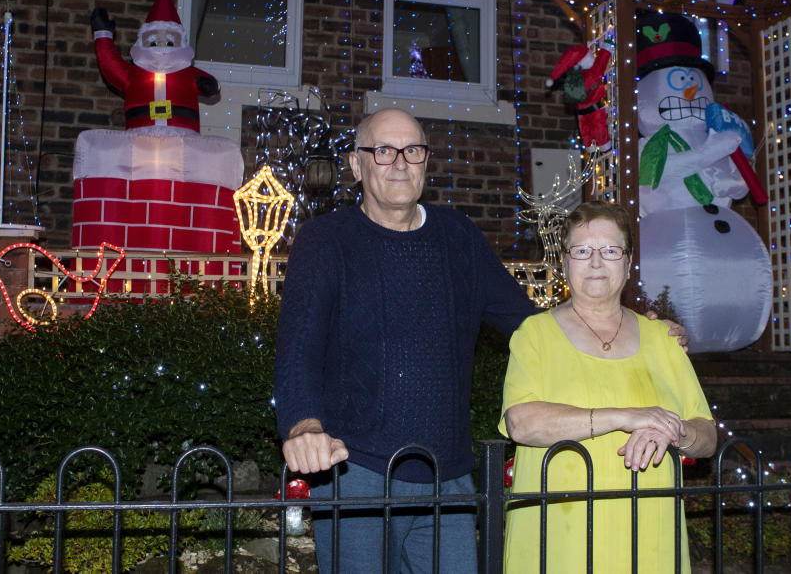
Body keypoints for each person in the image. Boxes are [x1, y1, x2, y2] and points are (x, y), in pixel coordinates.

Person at [274, 108, 688, 573]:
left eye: (412, 151)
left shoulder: (456, 235)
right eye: (383, 151)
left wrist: (628, 327)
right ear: (356, 164)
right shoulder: (326, 240)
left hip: (449, 476)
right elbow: (297, 349)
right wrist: (303, 426)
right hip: (358, 474)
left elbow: (530, 325)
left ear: (425, 161)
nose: (399, 163)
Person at [500, 201, 717, 573]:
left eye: (610, 250)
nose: (596, 262)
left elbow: (708, 435)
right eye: (582, 251)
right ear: (564, 262)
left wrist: (674, 431)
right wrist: (626, 417)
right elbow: (522, 423)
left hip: (650, 534)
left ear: (628, 262)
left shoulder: (663, 338)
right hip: (560, 535)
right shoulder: (533, 336)